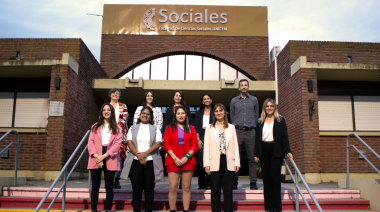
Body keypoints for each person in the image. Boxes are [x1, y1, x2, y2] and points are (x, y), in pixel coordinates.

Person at [120, 106, 164, 212]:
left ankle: (148, 210)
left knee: (149, 189)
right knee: (137, 189)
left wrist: (144, 154)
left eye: (148, 114)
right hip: (135, 161)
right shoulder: (132, 128)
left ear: (151, 117)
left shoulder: (155, 129)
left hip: (151, 161)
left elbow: (158, 143)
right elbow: (129, 142)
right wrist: (139, 155)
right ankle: (136, 209)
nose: (145, 115)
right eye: (143, 113)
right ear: (140, 116)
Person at [254, 98, 292, 212]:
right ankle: (269, 207)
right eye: (267, 106)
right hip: (264, 151)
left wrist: (288, 150)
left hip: (276, 151)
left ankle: (277, 207)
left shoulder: (280, 120)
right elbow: (257, 139)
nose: (269, 108)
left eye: (271, 106)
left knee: (275, 178)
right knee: (266, 179)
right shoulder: (260, 121)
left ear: (274, 107)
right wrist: (256, 154)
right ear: (264, 108)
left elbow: (285, 136)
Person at [204, 103, 240, 212]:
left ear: (225, 112)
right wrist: (206, 164)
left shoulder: (232, 127)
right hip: (214, 161)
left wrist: (237, 162)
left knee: (228, 191)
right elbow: (207, 147)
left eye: (221, 110)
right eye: (216, 111)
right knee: (215, 191)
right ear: (214, 114)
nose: (219, 112)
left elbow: (235, 145)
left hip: (228, 161)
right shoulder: (209, 128)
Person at [87, 103, 123, 212]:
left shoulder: (117, 128)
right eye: (104, 110)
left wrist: (103, 156)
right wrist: (97, 156)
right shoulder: (95, 126)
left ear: (112, 112)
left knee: (109, 187)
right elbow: (91, 142)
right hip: (96, 154)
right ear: (101, 112)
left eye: (108, 110)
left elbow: (117, 145)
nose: (106, 112)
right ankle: (94, 209)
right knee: (95, 186)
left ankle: (108, 210)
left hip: (109, 155)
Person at [164, 105, 198, 212]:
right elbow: (166, 144)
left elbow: (194, 144)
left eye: (182, 113)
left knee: (186, 188)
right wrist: (175, 158)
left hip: (188, 160)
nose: (180, 115)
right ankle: (172, 210)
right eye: (178, 113)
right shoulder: (169, 128)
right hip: (172, 159)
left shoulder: (191, 128)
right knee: (173, 188)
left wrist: (186, 157)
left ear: (186, 114)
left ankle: (186, 210)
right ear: (175, 115)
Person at [230, 79, 259, 190]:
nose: (243, 87)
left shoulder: (254, 100)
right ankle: (234, 182)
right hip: (237, 131)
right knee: (236, 158)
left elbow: (256, 115)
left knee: (252, 158)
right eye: (241, 85)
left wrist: (253, 126)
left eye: (245, 85)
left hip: (251, 132)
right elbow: (232, 116)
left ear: (248, 87)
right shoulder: (234, 101)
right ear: (239, 87)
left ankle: (253, 182)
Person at [109, 88, 129, 189]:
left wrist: (117, 127)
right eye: (113, 93)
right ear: (110, 95)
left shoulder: (123, 106)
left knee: (120, 156)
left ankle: (117, 179)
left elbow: (125, 118)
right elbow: (102, 117)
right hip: (107, 134)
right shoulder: (106, 106)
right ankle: (110, 179)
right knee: (109, 155)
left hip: (120, 133)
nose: (115, 95)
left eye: (117, 93)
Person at [194, 93, 214, 189]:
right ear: (202, 101)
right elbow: (196, 127)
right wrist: (198, 140)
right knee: (201, 161)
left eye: (208, 98)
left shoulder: (214, 111)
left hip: (212, 135)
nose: (206, 100)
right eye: (204, 99)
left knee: (211, 159)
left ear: (211, 100)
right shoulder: (199, 112)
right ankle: (202, 184)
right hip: (201, 135)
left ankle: (210, 182)